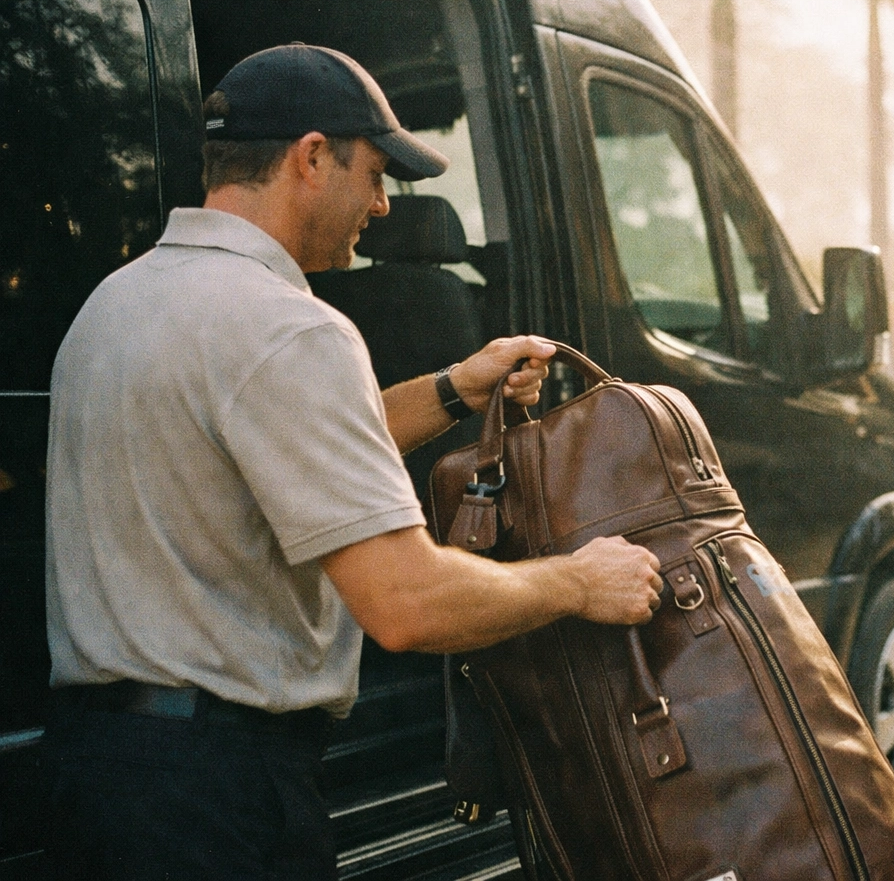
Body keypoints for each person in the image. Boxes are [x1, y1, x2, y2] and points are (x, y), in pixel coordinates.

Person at [42, 44, 664, 880]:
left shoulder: (117, 304)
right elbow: (408, 605)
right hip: (219, 796)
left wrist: (454, 389)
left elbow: (254, 447)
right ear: (309, 156)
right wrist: (582, 582)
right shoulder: (290, 328)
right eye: (375, 173)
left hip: (97, 778)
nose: (381, 204)